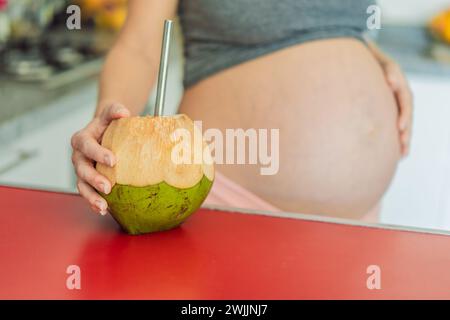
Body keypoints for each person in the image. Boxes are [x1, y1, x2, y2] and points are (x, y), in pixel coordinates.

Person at [71, 0, 413, 220]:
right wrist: (107, 123)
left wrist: (374, 55)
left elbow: (325, 22)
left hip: (360, 218)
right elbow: (139, 45)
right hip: (231, 200)